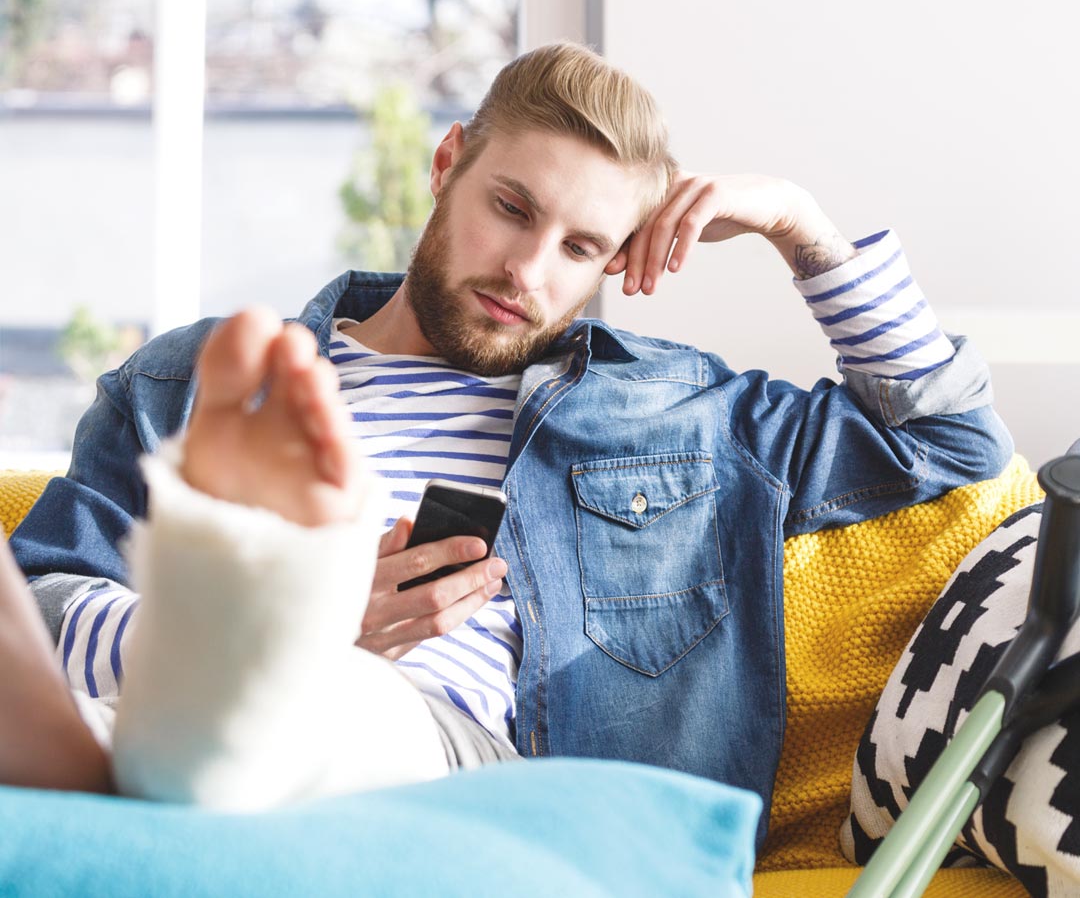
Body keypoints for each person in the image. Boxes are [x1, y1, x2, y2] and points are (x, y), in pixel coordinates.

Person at [5, 43, 1012, 845]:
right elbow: (47, 604)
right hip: (205, 752)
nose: (528, 270)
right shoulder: (193, 379)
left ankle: (229, 673)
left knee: (327, 700)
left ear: (614, 260)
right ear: (448, 163)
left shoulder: (681, 413)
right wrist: (307, 627)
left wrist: (802, 226)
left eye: (580, 247)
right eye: (512, 209)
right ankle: (217, 684)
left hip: (493, 792)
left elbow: (950, 440)